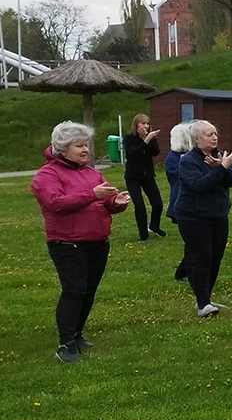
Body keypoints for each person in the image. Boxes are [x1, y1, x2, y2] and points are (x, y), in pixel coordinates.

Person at [30, 121, 130, 362]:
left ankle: (76, 333)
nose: (86, 150)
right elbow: (55, 204)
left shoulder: (91, 173)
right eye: (79, 146)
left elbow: (104, 202)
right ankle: (65, 344)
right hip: (67, 243)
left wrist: (116, 202)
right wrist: (92, 194)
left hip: (97, 241)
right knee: (74, 291)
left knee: (88, 291)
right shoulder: (47, 175)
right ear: (63, 149)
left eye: (86, 145)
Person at [176, 120, 232, 318]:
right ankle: (203, 304)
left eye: (215, 134)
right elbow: (199, 185)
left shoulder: (220, 156)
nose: (214, 138)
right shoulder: (188, 161)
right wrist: (221, 169)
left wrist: (223, 167)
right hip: (193, 216)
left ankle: (204, 298)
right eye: (209, 134)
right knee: (202, 257)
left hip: (218, 215)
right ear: (196, 139)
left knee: (216, 257)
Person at [123, 114, 165, 241]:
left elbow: (155, 152)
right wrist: (145, 141)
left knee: (158, 204)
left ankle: (154, 227)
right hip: (132, 176)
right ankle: (143, 234)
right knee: (139, 206)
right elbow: (133, 155)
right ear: (136, 125)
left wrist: (149, 139)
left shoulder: (150, 137)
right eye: (143, 123)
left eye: (147, 123)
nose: (145, 126)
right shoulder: (129, 139)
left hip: (148, 175)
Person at [164, 122, 193, 282]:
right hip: (182, 204)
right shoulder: (173, 158)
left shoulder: (190, 155)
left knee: (194, 242)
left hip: (193, 203)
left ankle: (186, 271)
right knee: (193, 242)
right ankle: (183, 272)